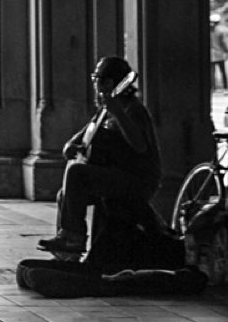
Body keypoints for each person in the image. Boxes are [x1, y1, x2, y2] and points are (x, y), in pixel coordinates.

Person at [39, 55, 161, 256]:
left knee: (77, 173)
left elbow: (140, 147)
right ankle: (66, 254)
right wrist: (71, 145)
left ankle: (74, 237)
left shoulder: (132, 110)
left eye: (98, 79)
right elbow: (84, 134)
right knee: (65, 194)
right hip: (114, 174)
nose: (95, 85)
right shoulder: (105, 110)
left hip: (137, 180)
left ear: (110, 83)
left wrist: (118, 113)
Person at [209, 15, 228, 93]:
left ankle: (212, 88)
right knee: (223, 71)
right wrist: (227, 51)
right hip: (219, 54)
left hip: (211, 55)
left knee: (212, 72)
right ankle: (225, 88)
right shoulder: (219, 32)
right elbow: (222, 43)